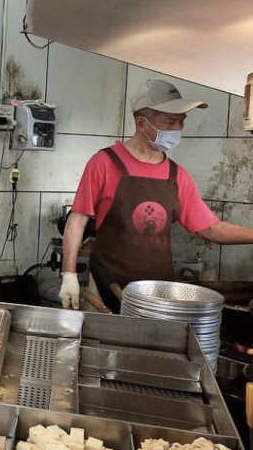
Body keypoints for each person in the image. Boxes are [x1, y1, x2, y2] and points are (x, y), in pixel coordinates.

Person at [61, 79, 253, 312]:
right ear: (142, 123)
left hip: (158, 293)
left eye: (181, 123)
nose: (177, 129)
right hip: (106, 285)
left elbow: (210, 228)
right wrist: (69, 274)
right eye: (170, 122)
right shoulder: (104, 163)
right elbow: (77, 220)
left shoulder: (177, 176)